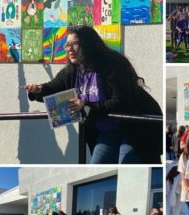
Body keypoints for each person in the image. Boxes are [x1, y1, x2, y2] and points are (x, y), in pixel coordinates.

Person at [23, 26, 162, 164]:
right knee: (97, 165)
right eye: (67, 44)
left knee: (126, 164)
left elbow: (120, 101)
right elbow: (51, 88)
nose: (69, 49)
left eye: (74, 44)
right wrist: (37, 90)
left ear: (88, 43)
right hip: (107, 131)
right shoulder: (72, 72)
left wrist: (87, 105)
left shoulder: (112, 65)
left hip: (136, 128)